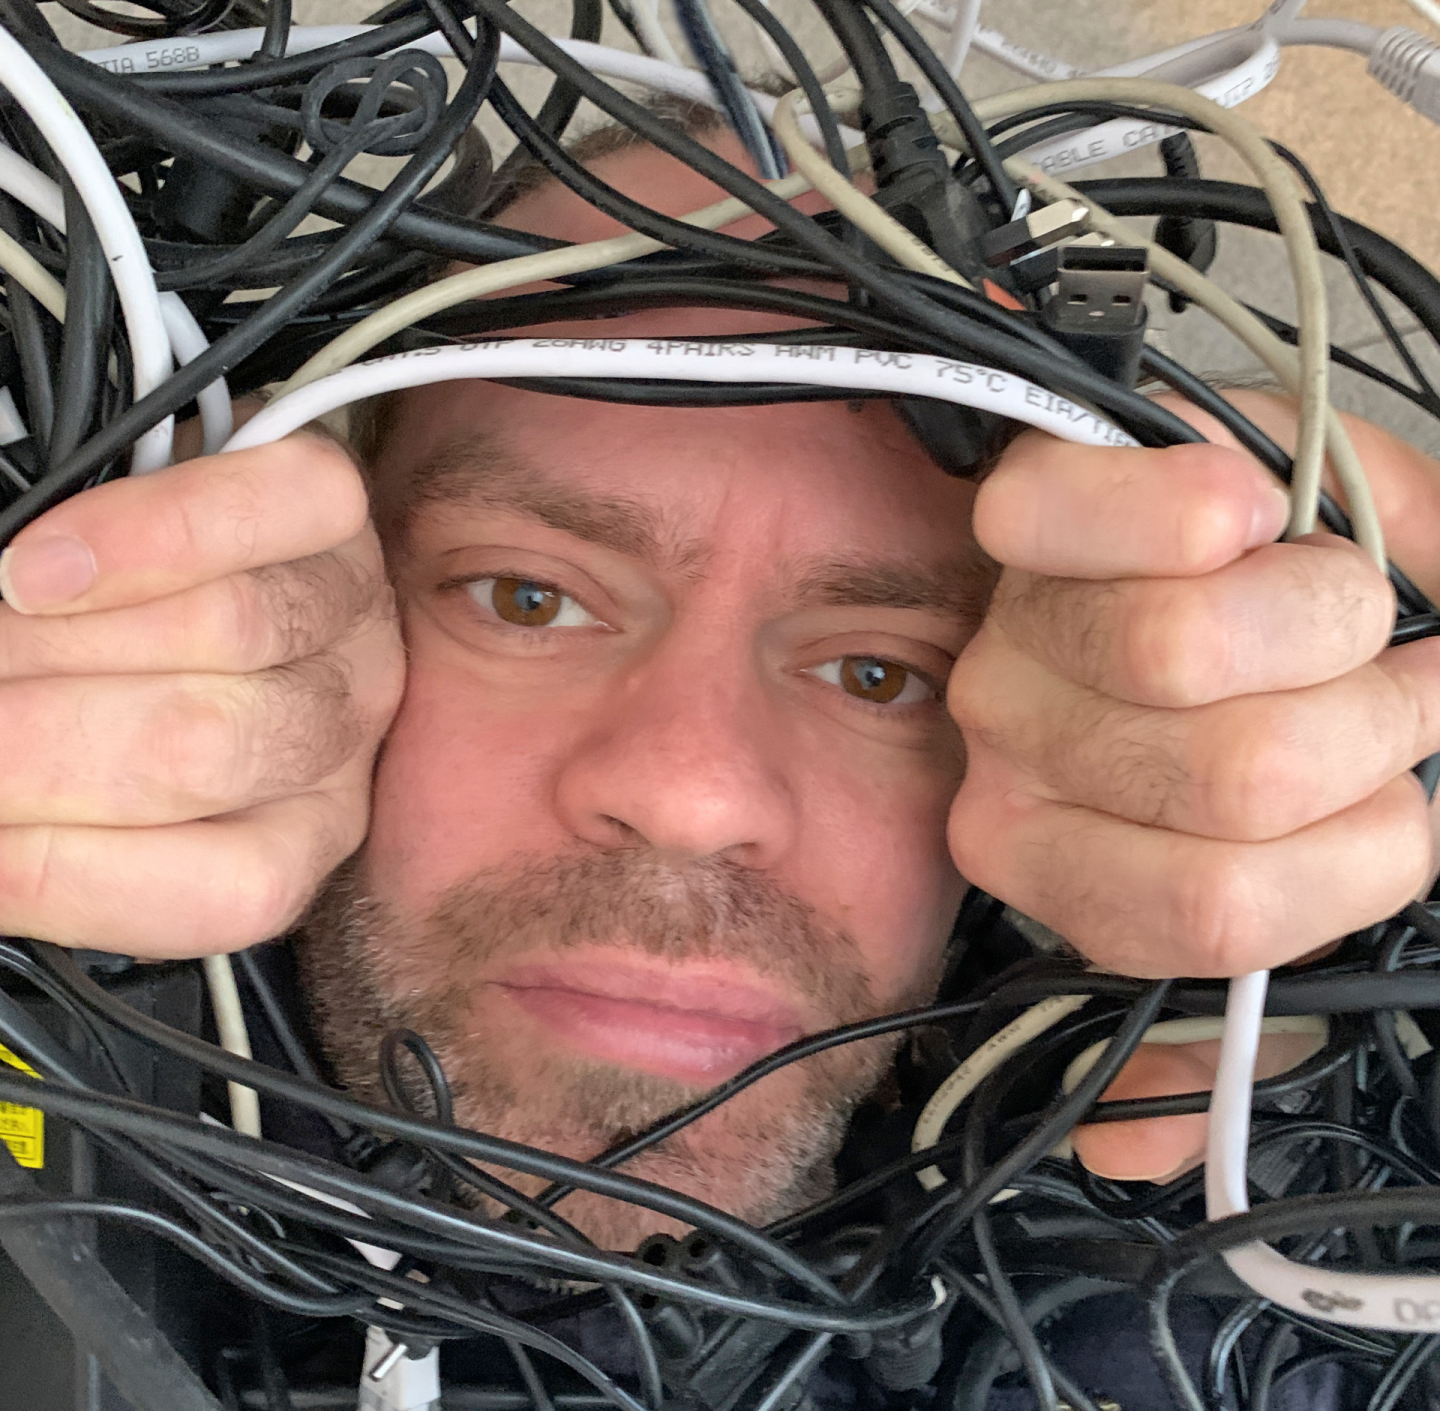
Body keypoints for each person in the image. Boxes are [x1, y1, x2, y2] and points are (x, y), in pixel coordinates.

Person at [1, 112, 1438, 1367]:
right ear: (295, 601)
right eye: (532, 597)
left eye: (880, 670)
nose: (689, 793)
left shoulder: (1286, 1244)